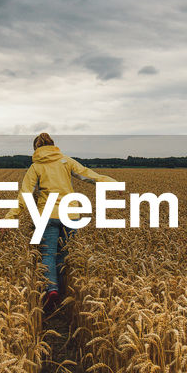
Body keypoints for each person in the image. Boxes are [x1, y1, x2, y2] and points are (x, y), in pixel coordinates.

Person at [7, 133, 118, 315]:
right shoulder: (66, 161)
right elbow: (89, 176)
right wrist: (113, 184)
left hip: (46, 215)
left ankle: (52, 290)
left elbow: (25, 194)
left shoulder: (35, 167)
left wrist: (10, 217)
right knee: (65, 255)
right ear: (53, 145)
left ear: (36, 148)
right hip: (70, 214)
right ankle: (65, 291)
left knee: (48, 254)